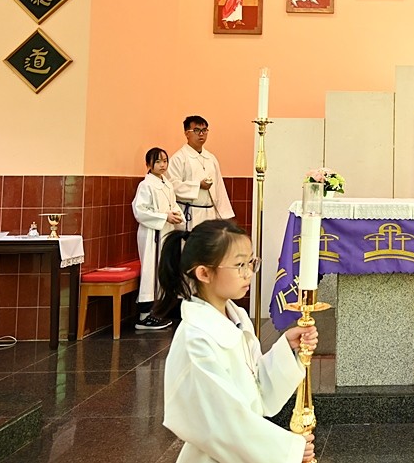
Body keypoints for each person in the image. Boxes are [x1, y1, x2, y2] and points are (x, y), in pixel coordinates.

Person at [159, 219, 318, 463]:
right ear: (204, 273)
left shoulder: (237, 317)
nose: (248, 273)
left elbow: (255, 385)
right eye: (239, 265)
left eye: (250, 263)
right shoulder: (196, 340)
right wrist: (287, 450)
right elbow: (221, 423)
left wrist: (287, 348)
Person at [131, 147, 184, 331]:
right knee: (150, 272)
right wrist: (164, 217)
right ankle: (144, 316)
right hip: (152, 234)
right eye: (158, 161)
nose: (162, 165)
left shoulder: (166, 183)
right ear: (148, 164)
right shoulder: (146, 185)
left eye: (165, 161)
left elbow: (173, 204)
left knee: (162, 271)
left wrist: (177, 216)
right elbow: (140, 211)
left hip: (165, 232)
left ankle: (157, 310)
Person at [168, 116, 236, 230]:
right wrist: (198, 185)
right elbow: (172, 186)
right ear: (187, 133)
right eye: (196, 130)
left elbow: (219, 188)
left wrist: (224, 216)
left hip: (210, 214)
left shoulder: (211, 158)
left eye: (204, 130)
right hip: (190, 213)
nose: (201, 134)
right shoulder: (179, 158)